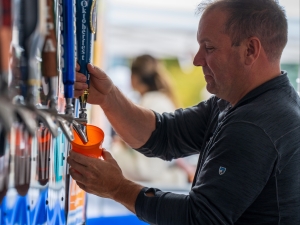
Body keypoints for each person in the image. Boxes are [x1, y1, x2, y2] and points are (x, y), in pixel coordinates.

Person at [68, 0, 300, 224]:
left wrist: (118, 188)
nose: (198, 60)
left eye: (209, 48)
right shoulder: (236, 101)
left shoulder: (256, 126)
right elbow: (163, 135)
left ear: (250, 50)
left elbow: (198, 218)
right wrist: (109, 97)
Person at [111, 54, 196, 184]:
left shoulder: (148, 105)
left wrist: (119, 146)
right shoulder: (163, 100)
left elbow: (145, 170)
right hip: (161, 176)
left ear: (134, 78)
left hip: (151, 177)